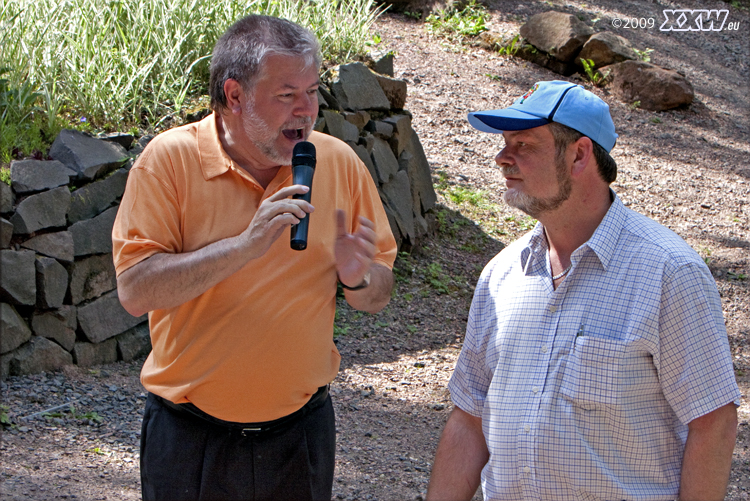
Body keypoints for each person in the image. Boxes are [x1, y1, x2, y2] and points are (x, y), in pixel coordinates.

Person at [112, 15, 397, 501]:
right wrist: (244, 247)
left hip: (299, 437)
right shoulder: (169, 161)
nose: (307, 111)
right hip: (189, 440)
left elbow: (378, 291)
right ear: (235, 95)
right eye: (287, 95)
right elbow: (136, 291)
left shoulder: (338, 163)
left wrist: (358, 279)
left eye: (312, 91)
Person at [426, 80, 739, 501]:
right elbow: (469, 419)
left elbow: (713, 423)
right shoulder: (501, 274)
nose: (502, 159)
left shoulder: (669, 272)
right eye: (504, 144)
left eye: (524, 145)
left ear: (579, 154)